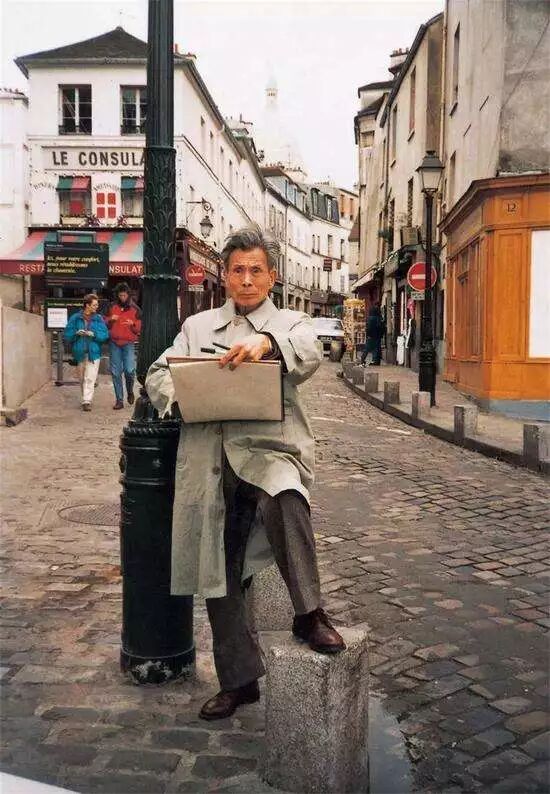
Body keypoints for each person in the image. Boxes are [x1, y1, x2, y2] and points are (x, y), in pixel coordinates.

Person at [146, 225, 345, 721]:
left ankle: (308, 612)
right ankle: (239, 682)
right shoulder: (197, 327)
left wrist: (266, 344)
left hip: (269, 451)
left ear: (272, 277)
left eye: (256, 270)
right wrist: (184, 395)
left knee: (286, 497)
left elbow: (309, 352)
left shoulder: (292, 322)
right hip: (210, 460)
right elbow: (158, 372)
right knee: (220, 569)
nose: (247, 279)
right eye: (238, 270)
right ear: (225, 274)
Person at [63, 294, 109, 411]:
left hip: (93, 352)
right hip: (79, 353)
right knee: (82, 378)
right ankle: (85, 397)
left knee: (90, 378)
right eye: (94, 305)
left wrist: (94, 334)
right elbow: (67, 334)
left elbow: (105, 335)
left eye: (97, 305)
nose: (96, 307)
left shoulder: (98, 318)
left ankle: (86, 400)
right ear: (87, 305)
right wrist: (76, 333)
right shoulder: (75, 318)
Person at [104, 283, 142, 409]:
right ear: (117, 295)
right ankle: (119, 400)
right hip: (114, 342)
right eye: (120, 295)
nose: (122, 298)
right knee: (115, 372)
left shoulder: (135, 309)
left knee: (130, 370)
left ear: (128, 295)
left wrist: (133, 324)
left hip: (128, 343)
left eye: (124, 295)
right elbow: (103, 322)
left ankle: (130, 391)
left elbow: (139, 328)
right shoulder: (111, 306)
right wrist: (111, 319)